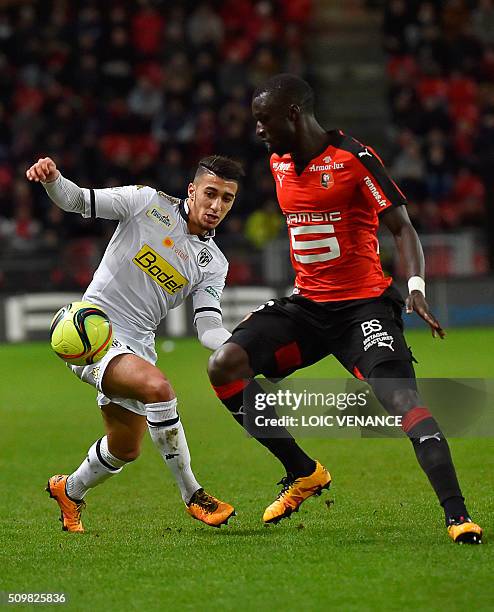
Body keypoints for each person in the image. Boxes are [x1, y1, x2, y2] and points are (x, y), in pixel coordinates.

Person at [207, 74, 483, 544]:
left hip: (363, 309)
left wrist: (414, 285)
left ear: (292, 114)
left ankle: (457, 515)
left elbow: (402, 228)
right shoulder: (277, 163)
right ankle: (303, 472)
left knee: (401, 399)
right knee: (224, 366)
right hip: (307, 308)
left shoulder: (355, 159)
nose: (258, 130)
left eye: (263, 119)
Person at [26, 154, 244, 532]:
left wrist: (242, 343)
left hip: (139, 346)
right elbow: (77, 199)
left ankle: (69, 490)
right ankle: (194, 495)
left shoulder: (213, 263)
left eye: (226, 199)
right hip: (93, 332)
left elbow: (207, 327)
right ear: (192, 190)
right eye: (210, 193)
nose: (216, 206)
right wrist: (52, 179)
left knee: (125, 447)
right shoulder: (147, 203)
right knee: (159, 388)